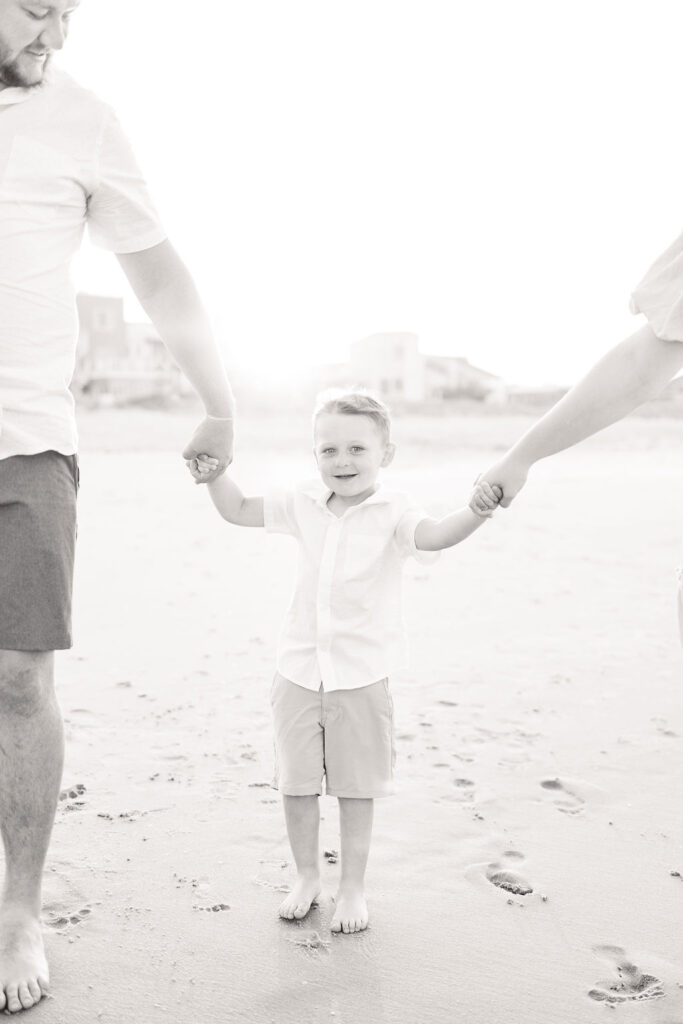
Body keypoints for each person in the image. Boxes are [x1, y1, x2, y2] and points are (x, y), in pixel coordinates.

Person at [0, 0, 233, 1013]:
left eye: (69, 8)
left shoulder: (82, 116)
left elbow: (155, 269)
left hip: (28, 442)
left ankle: (18, 911)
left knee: (18, 680)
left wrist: (219, 398)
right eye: (36, 5)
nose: (58, 28)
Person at [189, 390, 500, 935]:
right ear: (315, 455)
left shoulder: (397, 510)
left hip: (360, 674)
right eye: (329, 450)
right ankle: (307, 876)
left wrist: (475, 511)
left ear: (387, 453)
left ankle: (352, 886)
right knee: (297, 784)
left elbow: (435, 537)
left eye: (358, 448)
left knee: (357, 788)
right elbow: (237, 510)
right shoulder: (303, 501)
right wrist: (214, 473)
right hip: (298, 669)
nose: (343, 461)